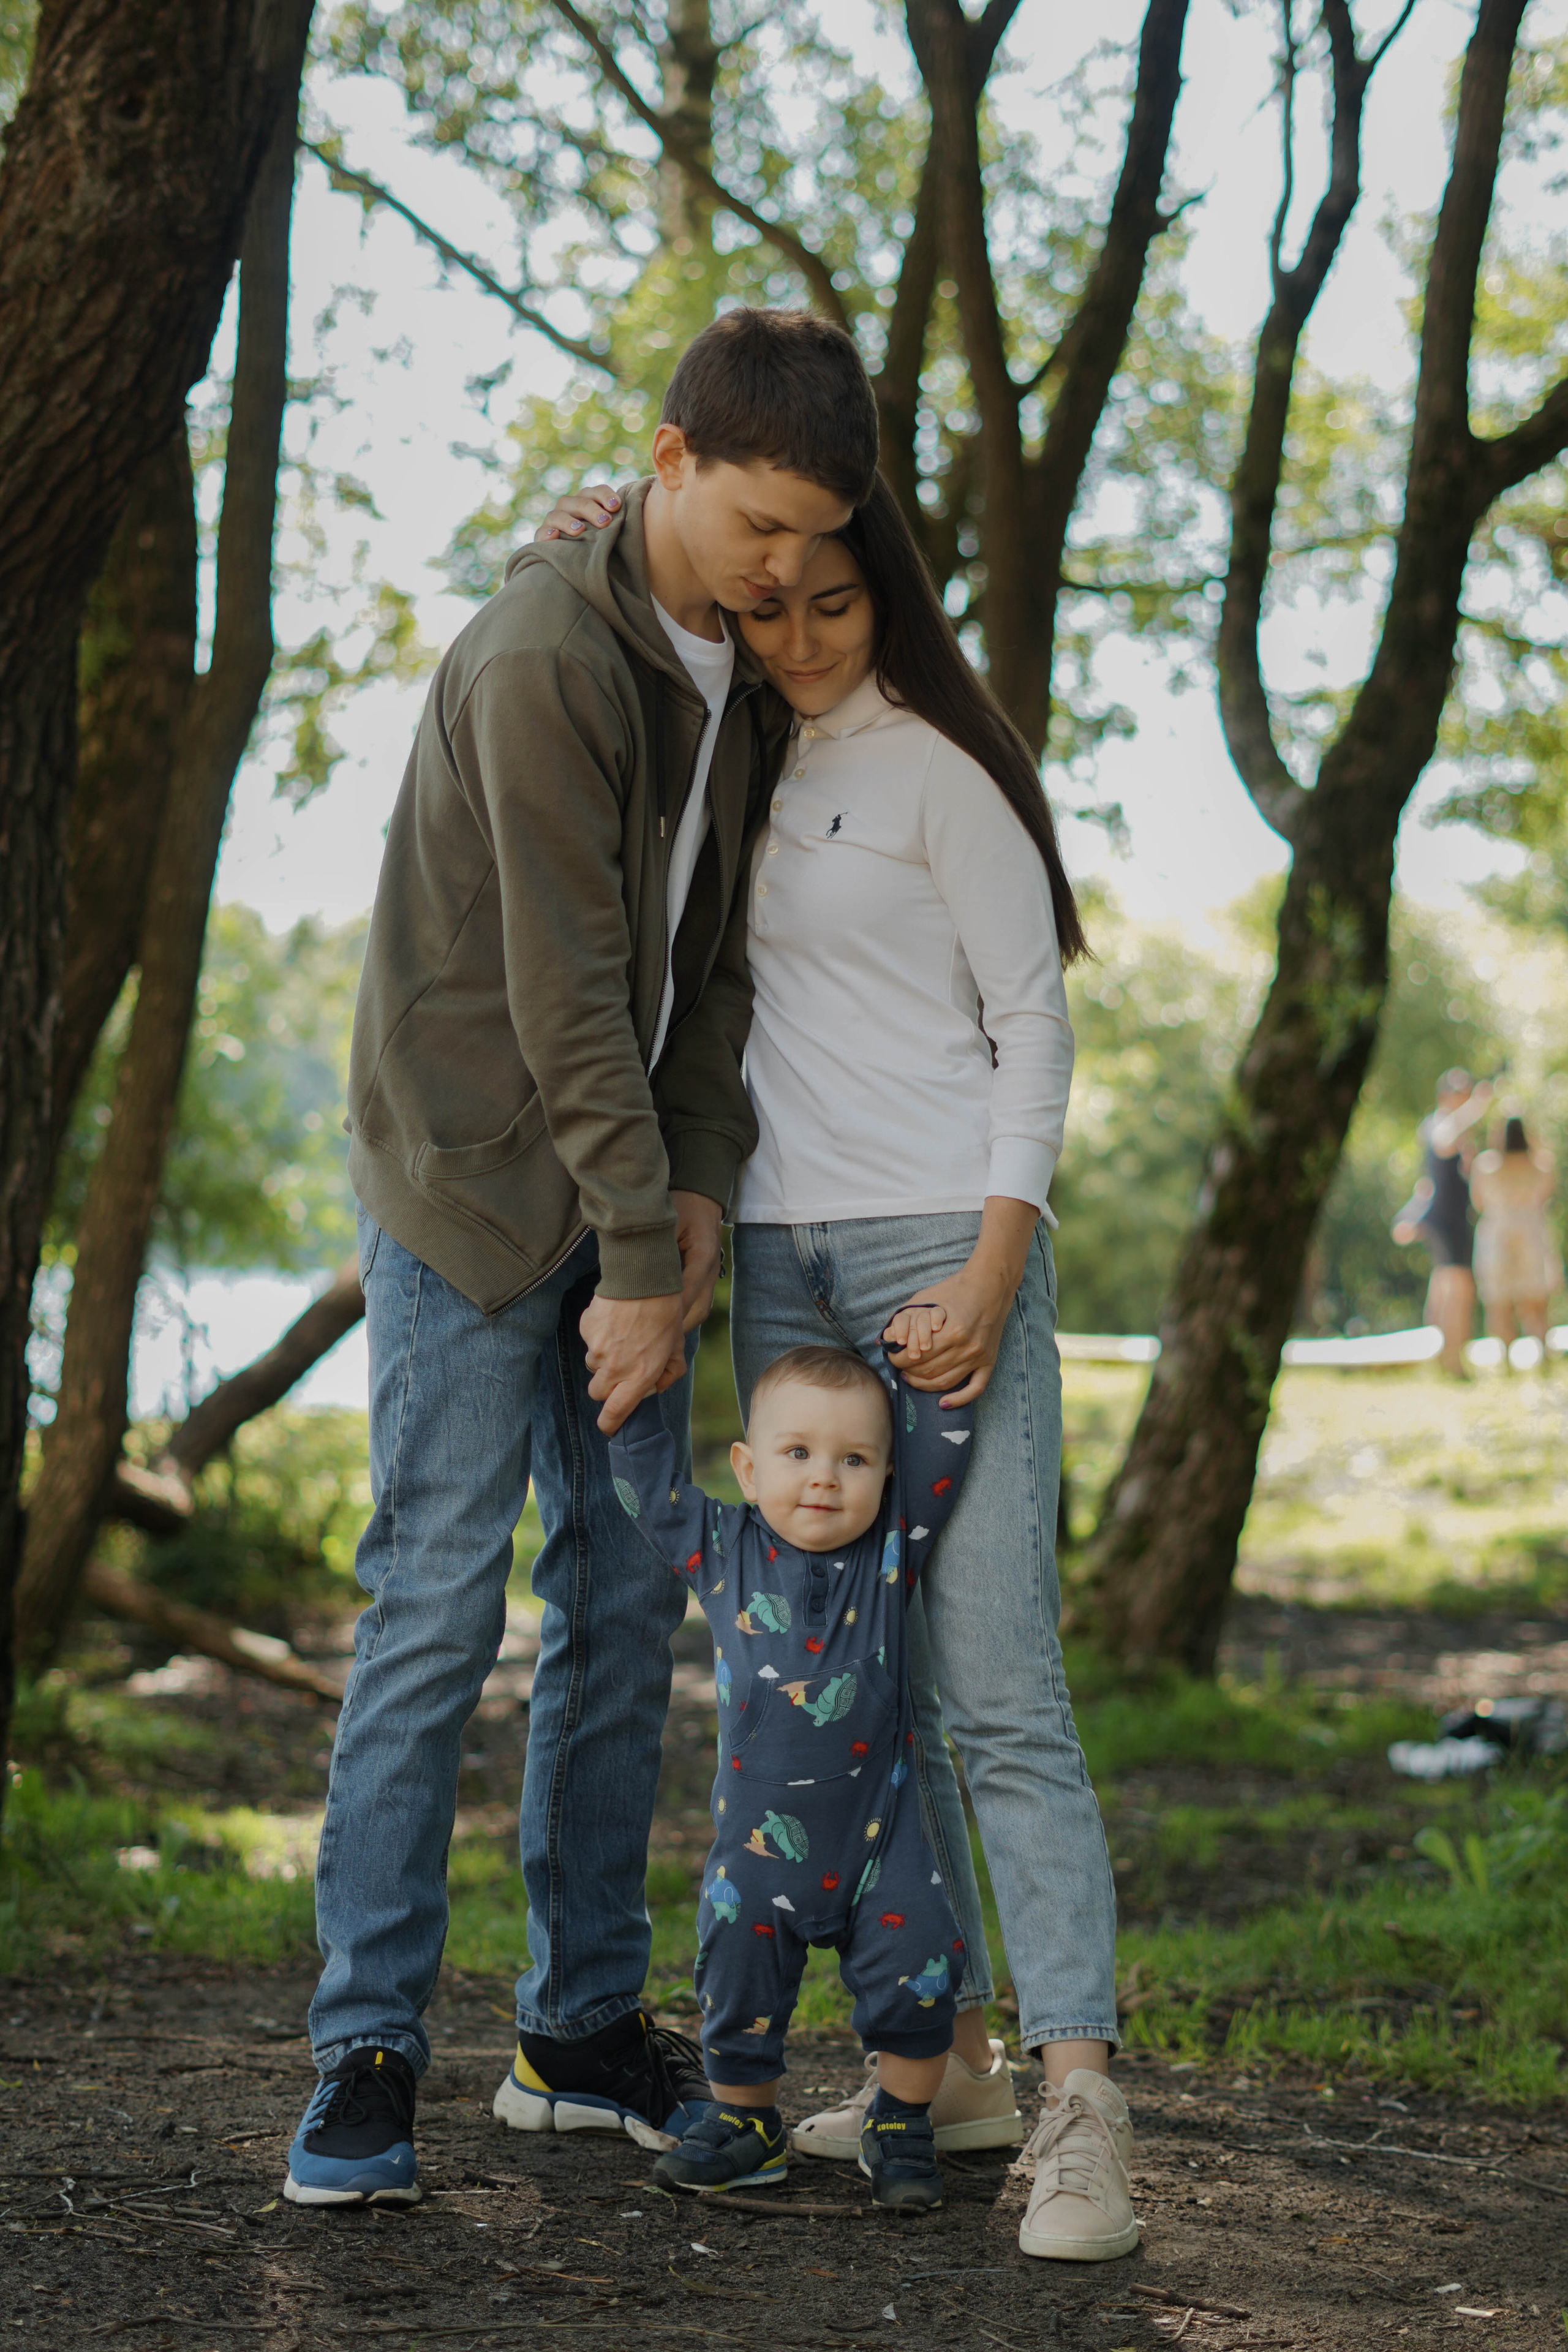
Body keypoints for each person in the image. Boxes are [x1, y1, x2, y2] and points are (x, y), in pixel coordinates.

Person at [283, 309, 881, 2209]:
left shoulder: (743, 666)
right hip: (472, 1188)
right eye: (759, 522)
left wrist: (692, 1197)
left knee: (624, 1592)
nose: (787, 570)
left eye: (819, 537)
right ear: (672, 461)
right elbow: (561, 991)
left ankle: (574, 2030)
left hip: (628, 1194)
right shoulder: (552, 648)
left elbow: (703, 971)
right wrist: (641, 1248)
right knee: (437, 1603)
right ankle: (366, 2051)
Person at [540, 472, 1136, 2264]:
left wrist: (993, 1260)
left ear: (889, 604)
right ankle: (938, 2063)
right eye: (766, 603)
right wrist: (573, 541)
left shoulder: (941, 774)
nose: (797, 635)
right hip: (779, 1262)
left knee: (993, 1679)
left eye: (834, 605)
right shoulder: (732, 751)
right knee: (851, 1682)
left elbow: (1035, 1019)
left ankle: (1082, 2102)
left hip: (933, 1246)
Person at [608, 1343, 973, 2211]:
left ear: (887, 1474)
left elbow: (942, 1454)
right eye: (798, 1453)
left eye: (855, 1460)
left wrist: (937, 1374)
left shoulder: (892, 1549)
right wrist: (636, 1395)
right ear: (747, 1465)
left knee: (921, 1964)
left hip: (883, 1836)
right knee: (735, 1978)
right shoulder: (722, 1544)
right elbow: (646, 1488)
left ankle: (900, 2122)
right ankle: (747, 2123)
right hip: (760, 1852)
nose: (824, 1479)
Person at [1393, 1068, 1491, 1376]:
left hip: (1446, 1219)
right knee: (1458, 1291)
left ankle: (1443, 1360)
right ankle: (1453, 1362)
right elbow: (1443, 1149)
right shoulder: (1441, 1125)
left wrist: (1412, 1215)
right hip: (1449, 1221)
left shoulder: (1440, 1127)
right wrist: (1478, 1105)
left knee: (1444, 1287)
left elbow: (1428, 1184)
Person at [1470, 1115, 1560, 1351]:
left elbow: (1477, 1202)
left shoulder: (1486, 1165)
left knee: (1499, 1302)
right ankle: (1544, 1356)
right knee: (1537, 1301)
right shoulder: (1539, 1164)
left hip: (1497, 1234)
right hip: (1532, 1232)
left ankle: (1505, 1358)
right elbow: (1548, 1192)